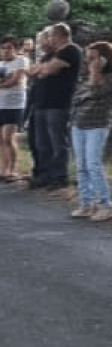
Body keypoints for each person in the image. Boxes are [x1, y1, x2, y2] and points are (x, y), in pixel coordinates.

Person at [26, 23, 83, 190]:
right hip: (41, 103)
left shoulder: (70, 51)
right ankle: (44, 174)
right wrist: (40, 69)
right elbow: (32, 71)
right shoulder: (50, 54)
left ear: (59, 35)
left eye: (50, 36)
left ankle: (59, 176)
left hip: (58, 103)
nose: (48, 40)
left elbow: (49, 70)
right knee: (41, 142)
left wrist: (42, 69)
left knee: (57, 141)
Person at [69, 41, 112, 221]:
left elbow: (95, 93)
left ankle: (105, 204)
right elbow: (78, 98)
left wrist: (96, 74)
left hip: (97, 124)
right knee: (81, 166)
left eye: (93, 58)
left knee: (93, 165)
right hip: (79, 123)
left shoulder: (108, 80)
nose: (89, 62)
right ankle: (86, 203)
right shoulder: (86, 79)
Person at [0, 35, 28, 182]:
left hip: (14, 104)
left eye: (9, 48)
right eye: (3, 48)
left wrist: (1, 83)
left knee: (8, 137)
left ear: (16, 49)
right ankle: (3, 169)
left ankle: (12, 170)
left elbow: (16, 80)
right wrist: (2, 81)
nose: (6, 51)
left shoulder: (21, 61)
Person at [23, 30, 53, 183]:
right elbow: (29, 71)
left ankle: (46, 173)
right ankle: (38, 170)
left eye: (42, 40)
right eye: (39, 41)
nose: (40, 44)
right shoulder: (41, 58)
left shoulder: (53, 57)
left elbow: (37, 72)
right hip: (35, 101)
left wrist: (36, 70)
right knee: (34, 140)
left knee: (45, 141)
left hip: (48, 103)